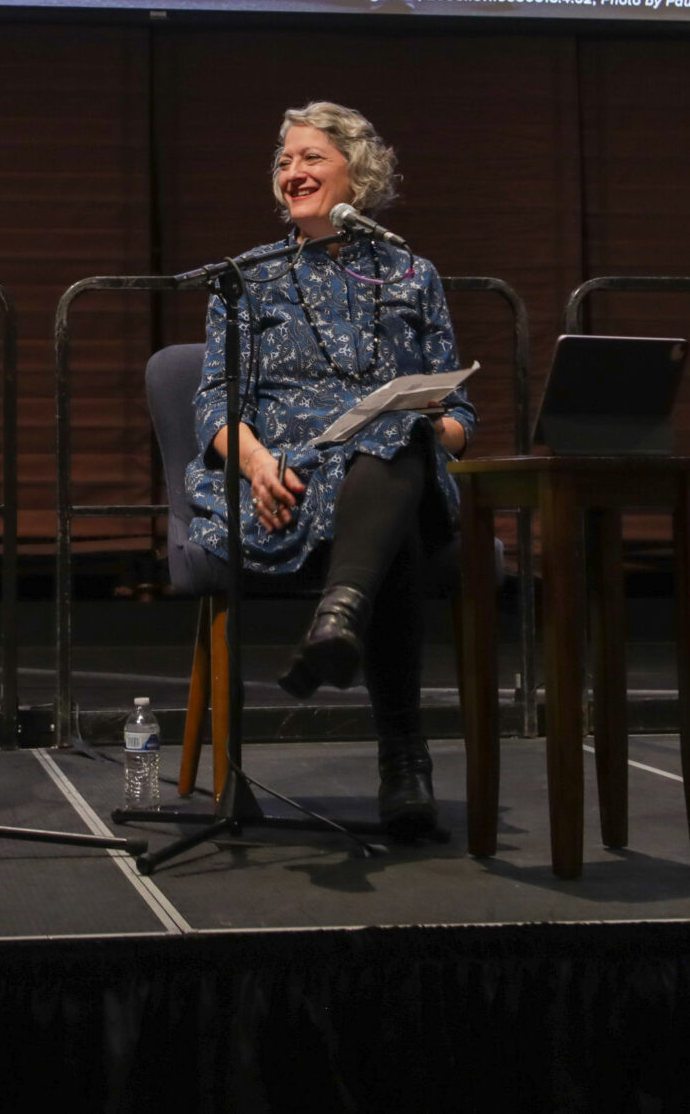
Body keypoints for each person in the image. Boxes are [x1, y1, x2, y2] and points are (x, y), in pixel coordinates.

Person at [183, 103, 475, 838]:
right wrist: (253, 464)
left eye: (310, 157)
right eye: (283, 161)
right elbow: (214, 402)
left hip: (397, 472)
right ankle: (403, 759)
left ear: (357, 171)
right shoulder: (246, 277)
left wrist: (427, 425)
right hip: (287, 479)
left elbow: (462, 416)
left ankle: (340, 615)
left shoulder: (413, 272)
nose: (292, 172)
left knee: (397, 437)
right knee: (395, 529)